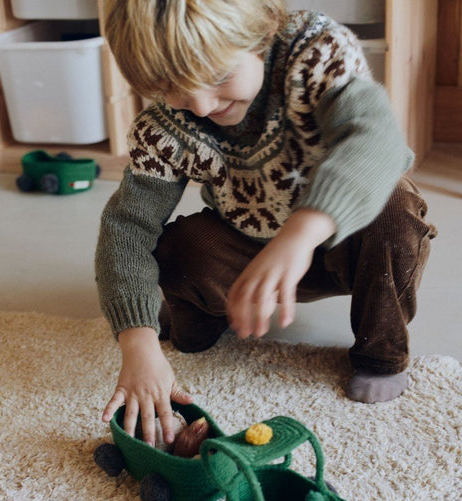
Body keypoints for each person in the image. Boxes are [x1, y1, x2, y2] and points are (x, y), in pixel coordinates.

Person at [95, 0, 436, 445]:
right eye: (170, 87)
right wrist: (138, 342)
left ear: (261, 31)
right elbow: (127, 229)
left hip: (343, 242)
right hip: (249, 247)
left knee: (395, 207)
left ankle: (380, 354)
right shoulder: (163, 125)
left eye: (218, 77)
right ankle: (202, 317)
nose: (199, 105)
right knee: (181, 249)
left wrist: (300, 234)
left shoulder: (316, 52)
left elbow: (377, 143)